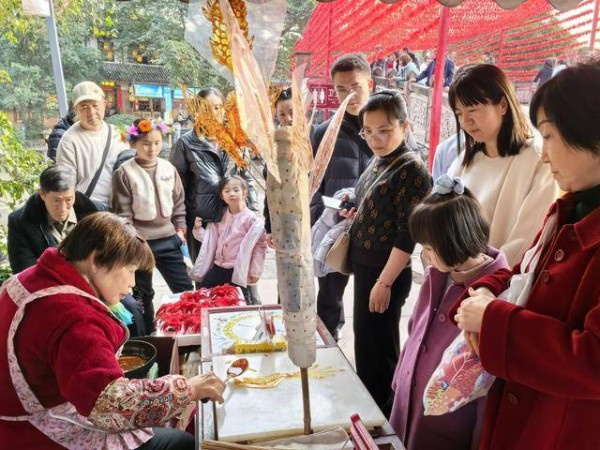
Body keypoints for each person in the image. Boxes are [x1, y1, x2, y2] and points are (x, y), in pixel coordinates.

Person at [453, 61, 600, 450]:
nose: (545, 154)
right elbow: (523, 272)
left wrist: (494, 319)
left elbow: (593, 360)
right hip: (522, 410)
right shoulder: (569, 210)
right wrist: (486, 289)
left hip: (563, 429)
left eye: (549, 136)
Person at [0, 212, 226, 449]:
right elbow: (110, 405)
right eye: (130, 269)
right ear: (96, 260)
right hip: (37, 435)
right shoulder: (74, 316)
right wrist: (188, 389)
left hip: (21, 418)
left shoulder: (30, 278)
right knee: (182, 444)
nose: (132, 284)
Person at [389, 175, 509, 450]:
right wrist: (400, 381)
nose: (426, 256)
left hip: (450, 426)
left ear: (456, 241)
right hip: (407, 403)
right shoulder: (437, 274)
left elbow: (488, 383)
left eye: (429, 248)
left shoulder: (495, 297)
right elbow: (414, 332)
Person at [341, 90, 431, 417]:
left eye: (384, 130)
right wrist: (353, 205)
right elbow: (373, 201)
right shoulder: (380, 159)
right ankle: (370, 411)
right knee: (366, 344)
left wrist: (384, 282)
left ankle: (385, 418)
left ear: (404, 126)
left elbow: (408, 233)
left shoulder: (413, 170)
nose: (375, 139)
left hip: (386, 274)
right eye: (368, 131)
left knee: (380, 351)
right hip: (367, 270)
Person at [7, 164, 145, 337]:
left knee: (131, 307)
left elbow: (115, 255)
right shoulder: (21, 222)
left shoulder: (96, 212)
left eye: (68, 199)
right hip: (55, 291)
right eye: (56, 200)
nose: (63, 208)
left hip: (100, 285)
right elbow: (25, 268)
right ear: (42, 194)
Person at [447, 64, 556, 266]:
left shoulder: (537, 160)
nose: (466, 121)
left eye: (472, 110)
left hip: (497, 279)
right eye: (459, 113)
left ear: (502, 105)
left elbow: (525, 241)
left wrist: (482, 274)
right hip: (455, 273)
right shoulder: (465, 159)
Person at [310, 53, 373, 341]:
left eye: (356, 87)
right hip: (335, 228)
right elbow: (313, 184)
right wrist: (319, 220)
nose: (350, 95)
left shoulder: (387, 129)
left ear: (369, 84)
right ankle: (329, 345)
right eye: (341, 89)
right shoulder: (324, 133)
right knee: (329, 296)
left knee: (371, 301)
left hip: (374, 231)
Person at [112, 119, 193, 334]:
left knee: (184, 289)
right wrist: (133, 241)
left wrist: (180, 229)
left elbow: (179, 202)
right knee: (142, 295)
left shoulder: (168, 168)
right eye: (146, 144)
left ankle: (187, 331)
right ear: (133, 144)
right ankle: (148, 334)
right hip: (140, 243)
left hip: (169, 239)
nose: (152, 148)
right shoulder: (124, 173)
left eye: (157, 143)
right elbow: (123, 213)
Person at [169, 87, 259, 262]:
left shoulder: (236, 140)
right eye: (205, 108)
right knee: (204, 274)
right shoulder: (185, 144)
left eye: (217, 107)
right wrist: (180, 223)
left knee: (236, 272)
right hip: (201, 223)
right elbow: (177, 190)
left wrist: (253, 212)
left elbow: (247, 179)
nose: (212, 113)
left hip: (236, 220)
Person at [191, 175, 267, 302]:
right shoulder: (219, 215)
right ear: (222, 196)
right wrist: (198, 229)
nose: (232, 194)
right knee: (203, 294)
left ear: (244, 193)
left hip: (236, 270)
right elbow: (210, 240)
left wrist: (255, 270)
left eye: (236, 190)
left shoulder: (251, 220)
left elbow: (259, 246)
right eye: (227, 191)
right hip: (217, 267)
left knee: (240, 300)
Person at [56, 81, 129, 210]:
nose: (91, 112)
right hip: (87, 209)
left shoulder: (116, 133)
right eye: (84, 107)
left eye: (95, 105)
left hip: (118, 209)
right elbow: (66, 184)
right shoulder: (69, 140)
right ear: (76, 109)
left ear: (104, 104)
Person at [265, 87, 293, 248]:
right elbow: (270, 189)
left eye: (292, 112)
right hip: (283, 222)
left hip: (311, 221)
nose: (288, 119)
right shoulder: (274, 144)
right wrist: (269, 227)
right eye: (282, 114)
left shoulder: (314, 137)